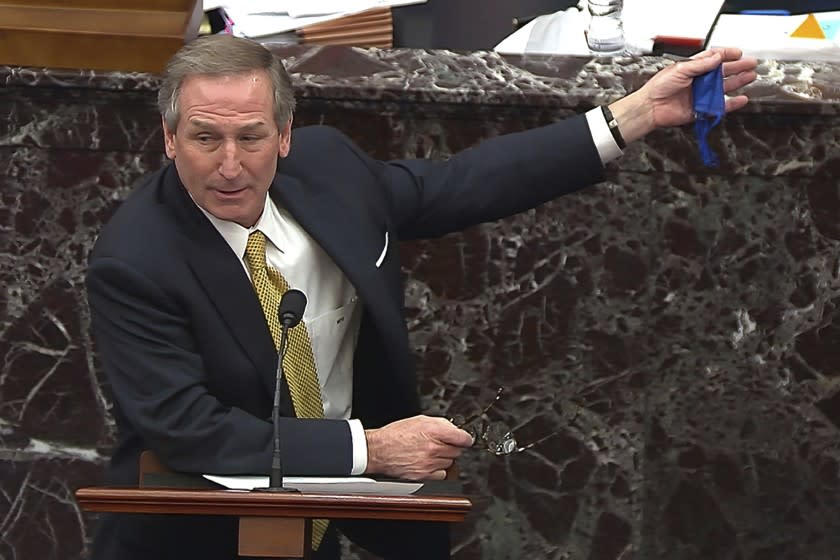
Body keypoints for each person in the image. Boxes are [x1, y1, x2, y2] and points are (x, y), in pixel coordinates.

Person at [85, 34, 757, 560]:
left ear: (283, 136)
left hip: (318, 525)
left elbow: (463, 184)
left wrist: (635, 113)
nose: (229, 164)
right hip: (193, 536)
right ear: (170, 138)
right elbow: (191, 430)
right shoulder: (135, 261)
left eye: (250, 136)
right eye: (204, 138)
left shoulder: (328, 170)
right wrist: (370, 452)